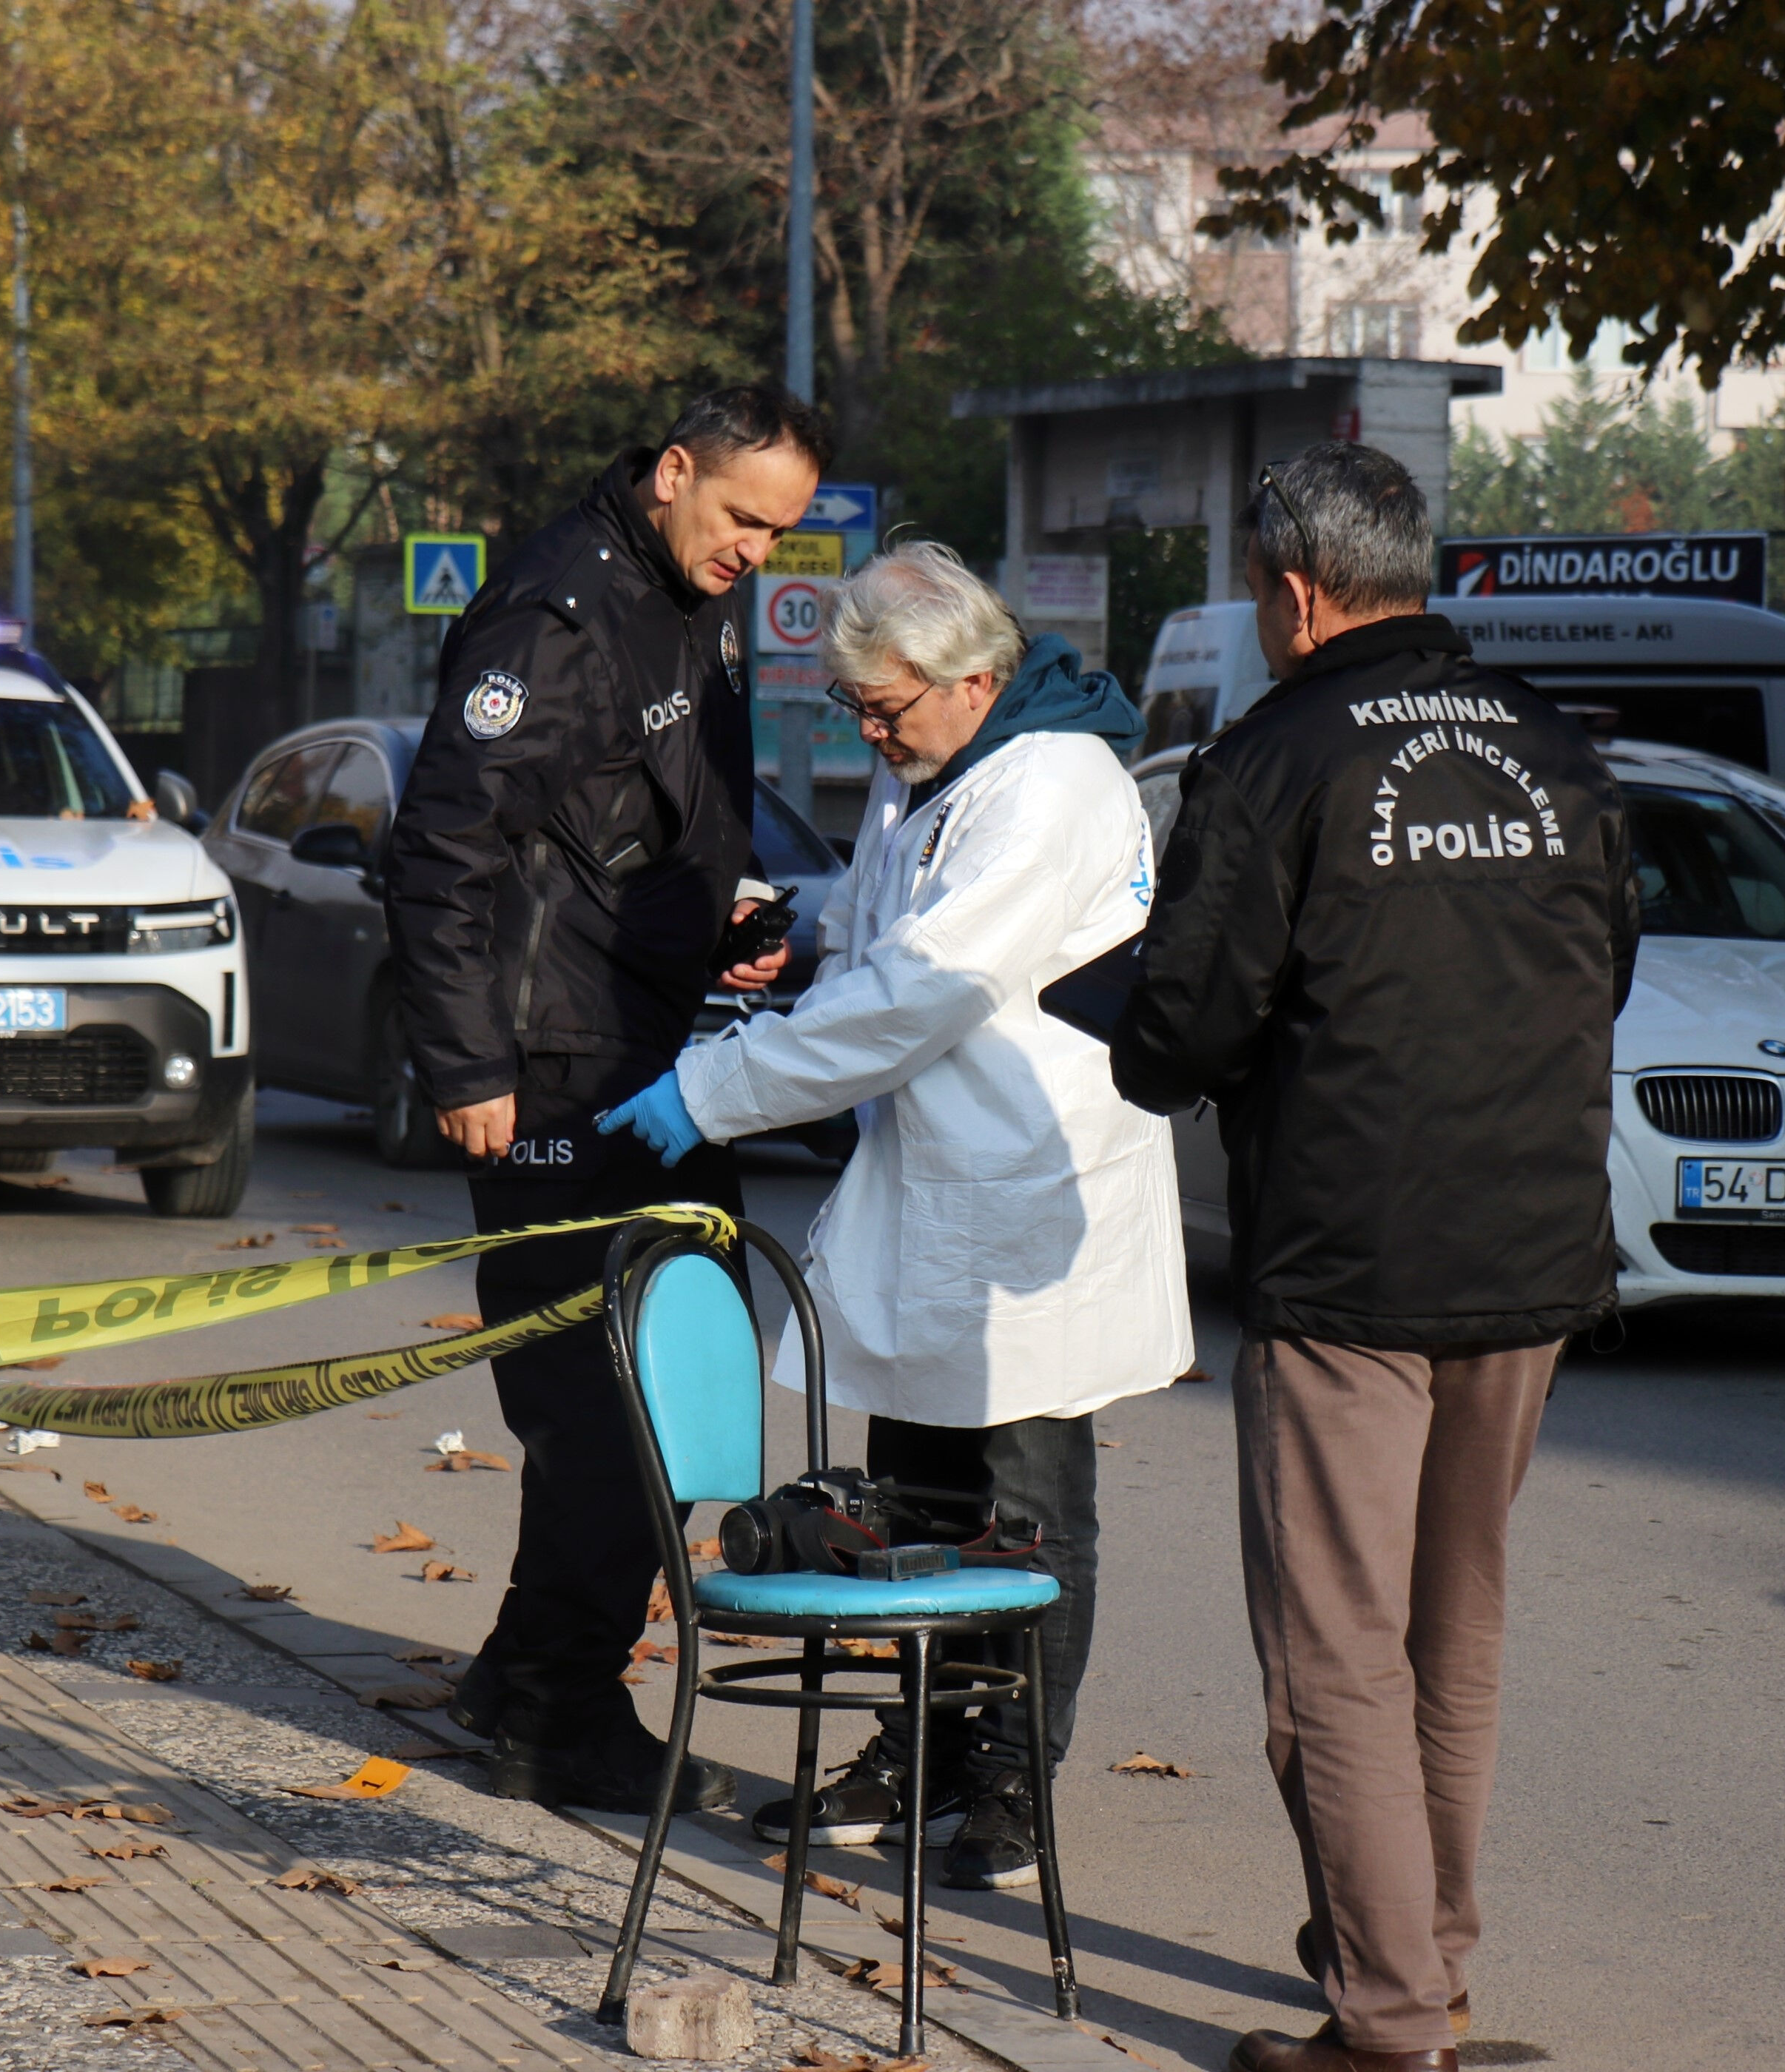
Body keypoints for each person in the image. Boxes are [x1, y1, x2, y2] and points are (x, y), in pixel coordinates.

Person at [1109, 443, 1637, 2072]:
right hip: (1531, 1243)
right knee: (1453, 1621)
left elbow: (1182, 1027)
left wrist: (1144, 1032)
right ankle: (1431, 1958)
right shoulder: (1555, 749)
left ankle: (1389, 2020)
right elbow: (1606, 963)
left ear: (1294, 590)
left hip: (1347, 1254)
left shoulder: (1275, 756)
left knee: (1333, 1648)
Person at [597, 541, 1189, 1890]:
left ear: (975, 679)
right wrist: (805, 933)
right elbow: (881, 925)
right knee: (914, 1502)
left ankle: (1010, 1786)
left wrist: (718, 1086)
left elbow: (924, 988)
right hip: (934, 1198)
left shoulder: (1052, 787)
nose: (872, 734)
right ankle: (919, 1747)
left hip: (1035, 1205)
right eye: (857, 712)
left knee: (1027, 1516)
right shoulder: (936, 764)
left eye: (888, 710)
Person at [384, 383, 834, 1814]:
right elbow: (442, 849)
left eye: (782, 531)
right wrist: (465, 1068)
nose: (758, 551)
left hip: (649, 1049)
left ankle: (523, 1672)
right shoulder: (554, 615)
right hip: (550, 1063)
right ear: (673, 473)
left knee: (671, 1379)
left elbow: (648, 818)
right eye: (743, 517)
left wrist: (730, 910)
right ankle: (559, 1718)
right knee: (608, 1406)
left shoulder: (676, 595)